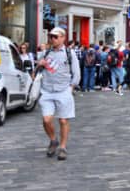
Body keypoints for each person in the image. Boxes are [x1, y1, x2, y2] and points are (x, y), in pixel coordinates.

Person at [36, 27, 80, 161]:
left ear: (63, 38)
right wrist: (39, 64)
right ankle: (53, 140)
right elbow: (35, 73)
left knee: (63, 120)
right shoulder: (45, 53)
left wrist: (71, 88)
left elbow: (76, 72)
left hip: (63, 90)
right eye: (51, 36)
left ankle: (62, 147)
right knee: (46, 119)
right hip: (47, 91)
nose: (52, 39)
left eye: (55, 37)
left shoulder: (69, 53)